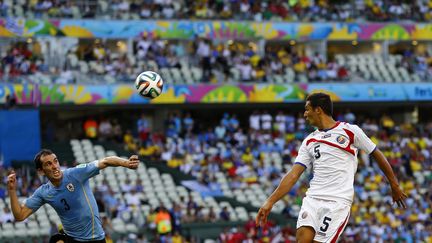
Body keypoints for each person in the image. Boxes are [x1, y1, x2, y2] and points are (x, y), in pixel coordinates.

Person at [255, 92, 407, 242]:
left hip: (337, 202)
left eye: (307, 109)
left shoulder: (350, 131)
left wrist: (394, 184)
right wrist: (270, 201)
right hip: (312, 199)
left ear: (318, 110)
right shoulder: (309, 141)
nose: (305, 114)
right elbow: (293, 175)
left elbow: (376, 153)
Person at [7, 149, 140, 242]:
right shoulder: (43, 192)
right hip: (72, 239)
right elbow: (20, 215)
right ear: (41, 171)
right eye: (48, 164)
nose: (54, 166)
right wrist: (12, 190)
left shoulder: (76, 173)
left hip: (97, 238)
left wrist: (126, 163)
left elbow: (105, 161)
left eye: (55, 161)